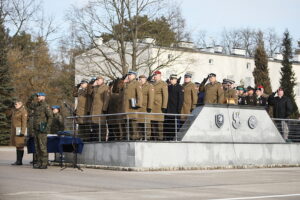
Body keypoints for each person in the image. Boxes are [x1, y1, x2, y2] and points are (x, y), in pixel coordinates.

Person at [27, 92, 52, 169]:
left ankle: (44, 163)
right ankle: (39, 162)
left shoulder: (46, 106)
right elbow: (28, 104)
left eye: (40, 96)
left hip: (42, 129)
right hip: (36, 129)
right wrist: (32, 96)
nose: (38, 97)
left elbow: (50, 117)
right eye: (37, 96)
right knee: (37, 147)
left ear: (44, 97)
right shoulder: (36, 105)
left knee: (42, 147)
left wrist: (46, 128)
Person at [121, 71, 143, 140]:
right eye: (128, 75)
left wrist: (138, 104)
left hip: (132, 107)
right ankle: (129, 138)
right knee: (127, 125)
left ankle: (135, 138)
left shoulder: (137, 83)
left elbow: (140, 95)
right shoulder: (127, 84)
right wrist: (124, 83)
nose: (129, 76)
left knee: (133, 125)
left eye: (130, 75)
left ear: (134, 75)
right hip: (126, 108)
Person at [89, 76, 109, 141]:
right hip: (94, 110)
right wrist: (92, 86)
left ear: (102, 80)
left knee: (101, 125)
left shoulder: (105, 87)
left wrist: (104, 109)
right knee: (95, 126)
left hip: (101, 110)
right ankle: (96, 139)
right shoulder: (95, 87)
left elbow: (107, 99)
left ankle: (102, 139)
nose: (97, 81)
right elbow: (89, 93)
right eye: (97, 80)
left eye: (98, 80)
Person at [151, 70, 168, 141]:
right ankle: (155, 137)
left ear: (160, 75)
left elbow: (165, 95)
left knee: (159, 123)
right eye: (154, 75)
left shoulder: (163, 83)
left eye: (156, 75)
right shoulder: (151, 84)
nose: (154, 76)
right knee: (153, 123)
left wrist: (164, 106)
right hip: (152, 106)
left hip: (159, 106)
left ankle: (160, 138)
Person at [165, 74, 183, 140]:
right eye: (170, 79)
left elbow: (180, 99)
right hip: (169, 109)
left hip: (175, 109)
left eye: (172, 79)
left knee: (174, 125)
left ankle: (173, 138)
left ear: (176, 79)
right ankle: (168, 138)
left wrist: (179, 109)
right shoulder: (169, 87)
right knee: (168, 125)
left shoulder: (179, 87)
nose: (171, 80)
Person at [9, 100, 28, 165]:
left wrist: (23, 132)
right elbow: (8, 115)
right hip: (15, 130)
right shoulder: (15, 111)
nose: (15, 105)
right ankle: (18, 160)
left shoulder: (23, 111)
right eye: (14, 104)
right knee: (17, 145)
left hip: (20, 130)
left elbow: (24, 123)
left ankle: (19, 161)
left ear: (20, 104)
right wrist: (10, 107)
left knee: (20, 145)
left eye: (16, 104)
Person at [138, 75, 154, 140]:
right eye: (140, 79)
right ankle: (140, 137)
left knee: (146, 123)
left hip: (145, 108)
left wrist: (149, 107)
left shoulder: (149, 86)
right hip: (139, 108)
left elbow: (151, 97)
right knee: (139, 124)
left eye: (142, 79)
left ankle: (147, 137)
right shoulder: (138, 86)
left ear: (145, 79)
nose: (141, 80)